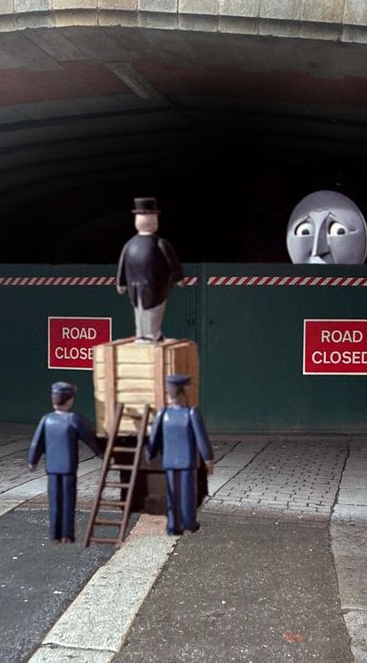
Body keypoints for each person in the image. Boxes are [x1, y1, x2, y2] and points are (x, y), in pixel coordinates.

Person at [27, 381, 102, 544]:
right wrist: (100, 452)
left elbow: (37, 443)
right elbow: (89, 439)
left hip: (52, 468)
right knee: (68, 501)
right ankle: (67, 534)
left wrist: (32, 460)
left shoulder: (47, 419)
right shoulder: (74, 419)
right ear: (70, 400)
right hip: (68, 468)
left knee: (54, 501)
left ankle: (55, 534)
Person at [145, 374, 215, 536]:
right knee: (187, 494)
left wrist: (149, 454)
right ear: (183, 394)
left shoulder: (163, 414)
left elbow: (154, 438)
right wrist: (208, 459)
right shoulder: (191, 413)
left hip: (170, 461)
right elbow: (202, 439)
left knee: (172, 494)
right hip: (187, 462)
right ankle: (189, 523)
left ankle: (173, 526)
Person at [116, 196, 183, 343]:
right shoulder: (160, 243)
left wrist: (121, 284)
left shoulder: (130, 244)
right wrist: (178, 278)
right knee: (149, 312)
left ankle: (145, 334)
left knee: (143, 312)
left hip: (138, 287)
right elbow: (173, 263)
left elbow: (122, 265)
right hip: (155, 286)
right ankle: (148, 335)